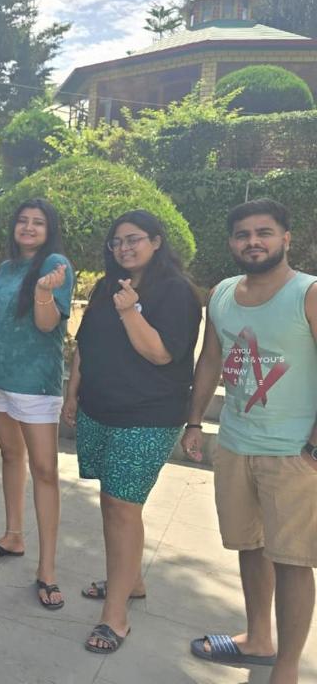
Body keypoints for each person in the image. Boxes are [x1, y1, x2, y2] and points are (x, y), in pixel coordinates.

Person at [181, 199, 316, 684]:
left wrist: (314, 447)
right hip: (237, 443)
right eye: (243, 234)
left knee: (294, 561)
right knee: (249, 545)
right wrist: (194, 421)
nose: (253, 241)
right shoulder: (220, 294)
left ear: (286, 238)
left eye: (264, 232)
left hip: (294, 454)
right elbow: (210, 360)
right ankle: (258, 638)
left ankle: (286, 670)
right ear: (231, 242)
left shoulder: (308, 293)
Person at [62, 210, 201, 654]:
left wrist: (130, 311)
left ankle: (115, 617)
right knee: (113, 500)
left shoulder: (176, 292)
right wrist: (72, 393)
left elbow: (161, 354)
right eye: (116, 242)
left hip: (148, 415)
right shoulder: (107, 287)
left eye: (133, 239)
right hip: (99, 408)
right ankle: (131, 581)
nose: (124, 248)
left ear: (157, 241)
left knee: (122, 506)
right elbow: (85, 344)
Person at [0, 199, 73, 610]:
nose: (29, 227)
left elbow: (49, 325)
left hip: (35, 384)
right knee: (10, 457)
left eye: (38, 222)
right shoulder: (4, 267)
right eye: (23, 221)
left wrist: (42, 292)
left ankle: (47, 569)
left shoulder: (55, 264)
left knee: (45, 471)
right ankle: (13, 535)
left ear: (49, 229)